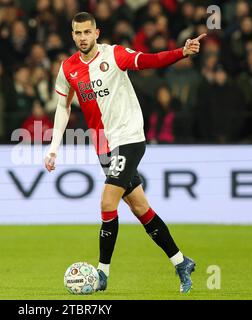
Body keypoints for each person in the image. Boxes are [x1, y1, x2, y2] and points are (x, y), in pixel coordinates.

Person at [44, 12, 205, 293]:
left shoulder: (114, 55)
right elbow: (63, 106)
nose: (83, 37)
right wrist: (54, 148)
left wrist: (181, 52)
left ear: (97, 33)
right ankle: (181, 262)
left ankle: (102, 274)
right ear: (72, 35)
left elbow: (148, 60)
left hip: (129, 138)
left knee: (108, 202)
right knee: (140, 207)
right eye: (77, 33)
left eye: (87, 32)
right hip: (104, 147)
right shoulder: (67, 68)